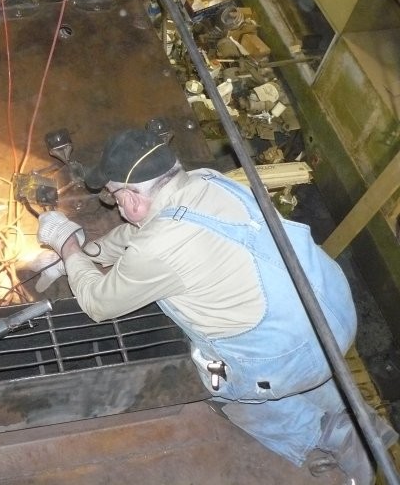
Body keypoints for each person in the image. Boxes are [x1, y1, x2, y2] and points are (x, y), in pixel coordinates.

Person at [35, 127, 397, 484]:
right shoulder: (207, 181)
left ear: (130, 198)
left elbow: (98, 302)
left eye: (114, 196)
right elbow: (144, 229)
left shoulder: (158, 249)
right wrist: (92, 252)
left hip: (288, 354)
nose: (115, 204)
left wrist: (67, 246)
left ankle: (324, 434)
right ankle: (353, 413)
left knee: (218, 386)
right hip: (334, 311)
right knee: (308, 358)